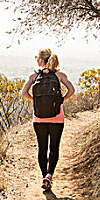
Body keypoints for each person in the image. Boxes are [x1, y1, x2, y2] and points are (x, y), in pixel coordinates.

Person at [21, 49, 75, 191]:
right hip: (57, 117)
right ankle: (49, 176)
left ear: (40, 60)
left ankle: (44, 175)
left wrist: (35, 101)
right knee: (54, 148)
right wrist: (61, 100)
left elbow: (23, 93)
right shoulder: (60, 75)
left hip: (39, 118)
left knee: (42, 148)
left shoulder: (34, 76)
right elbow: (72, 90)